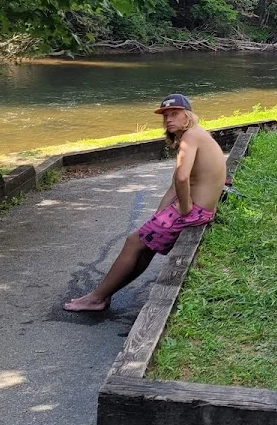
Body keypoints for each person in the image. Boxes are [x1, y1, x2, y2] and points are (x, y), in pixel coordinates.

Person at [64, 94, 227, 313]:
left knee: (134, 242)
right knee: (143, 246)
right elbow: (174, 185)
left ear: (188, 115)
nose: (169, 119)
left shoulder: (190, 137)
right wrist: (158, 215)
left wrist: (186, 208)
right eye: (166, 116)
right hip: (201, 209)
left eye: (175, 114)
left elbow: (181, 178)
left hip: (195, 211)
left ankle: (97, 298)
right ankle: (104, 295)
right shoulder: (196, 135)